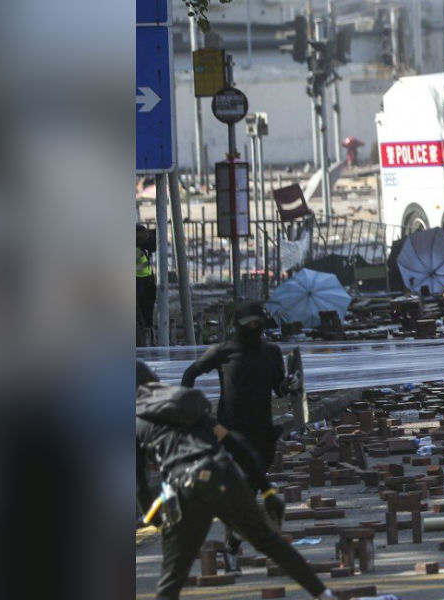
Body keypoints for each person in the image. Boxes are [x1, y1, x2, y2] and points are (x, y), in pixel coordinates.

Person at [136, 362, 335, 599]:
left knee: (173, 576)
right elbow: (233, 445)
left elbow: (139, 481)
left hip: (186, 487)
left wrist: (154, 517)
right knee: (268, 541)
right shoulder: (187, 403)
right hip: (222, 474)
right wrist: (267, 490)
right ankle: (324, 595)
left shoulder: (137, 421)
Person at [181, 301, 294, 566]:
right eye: (249, 325)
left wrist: (291, 384)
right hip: (231, 431)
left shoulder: (272, 352)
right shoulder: (223, 352)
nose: (254, 329)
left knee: (252, 488)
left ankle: (233, 541)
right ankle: (231, 542)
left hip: (263, 431)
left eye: (258, 324)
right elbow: (191, 373)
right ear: (239, 327)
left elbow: (279, 388)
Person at [137, 224, 157, 345]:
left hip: (144, 289)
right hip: (145, 289)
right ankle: (148, 343)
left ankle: (147, 343)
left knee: (143, 322)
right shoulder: (139, 251)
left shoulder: (139, 251)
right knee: (145, 322)